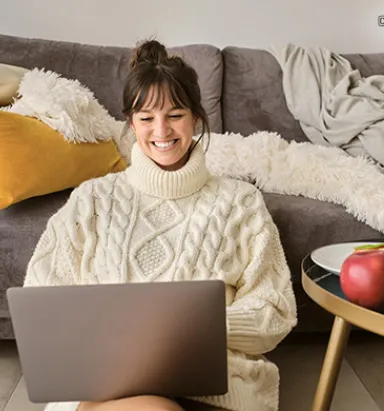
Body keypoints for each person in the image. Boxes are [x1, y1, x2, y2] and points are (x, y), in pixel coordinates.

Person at [23, 39, 298, 411]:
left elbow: (275, 310)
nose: (161, 130)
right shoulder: (92, 199)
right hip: (105, 389)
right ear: (131, 123)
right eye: (146, 117)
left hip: (213, 390)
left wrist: (192, 333)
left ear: (196, 118)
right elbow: (42, 298)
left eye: (175, 114)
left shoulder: (240, 202)